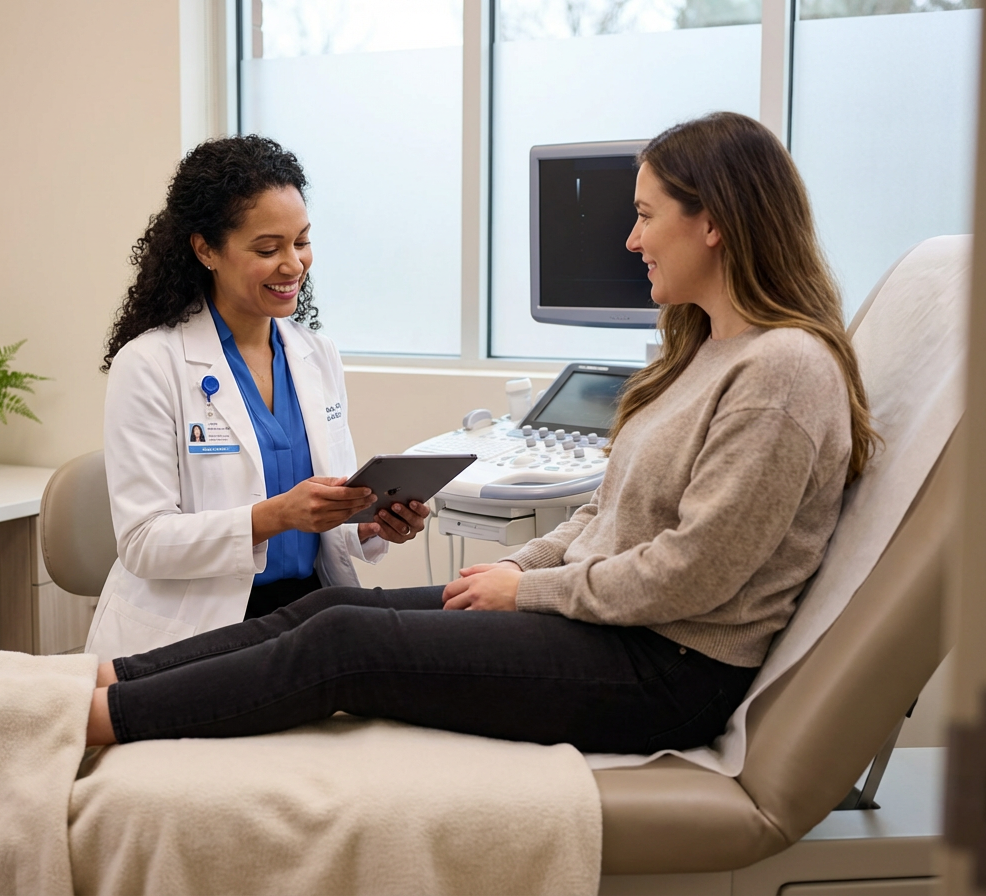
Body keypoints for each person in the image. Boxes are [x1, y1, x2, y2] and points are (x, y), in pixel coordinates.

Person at [84, 112, 878, 753]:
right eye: (269, 247)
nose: (631, 240)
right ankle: (101, 683)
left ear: (715, 223)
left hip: (667, 668)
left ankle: (95, 723)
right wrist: (514, 570)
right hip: (619, 629)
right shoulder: (701, 354)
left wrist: (524, 591)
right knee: (337, 614)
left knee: (347, 644)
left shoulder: (783, 371)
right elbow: (605, 512)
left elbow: (694, 576)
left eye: (643, 215)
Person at [86, 135, 429, 661]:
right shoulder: (150, 364)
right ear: (205, 250)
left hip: (311, 609)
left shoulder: (317, 356)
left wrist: (369, 522)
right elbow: (143, 542)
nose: (293, 265)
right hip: (199, 626)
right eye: (268, 250)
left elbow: (325, 525)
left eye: (302, 242)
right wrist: (275, 515)